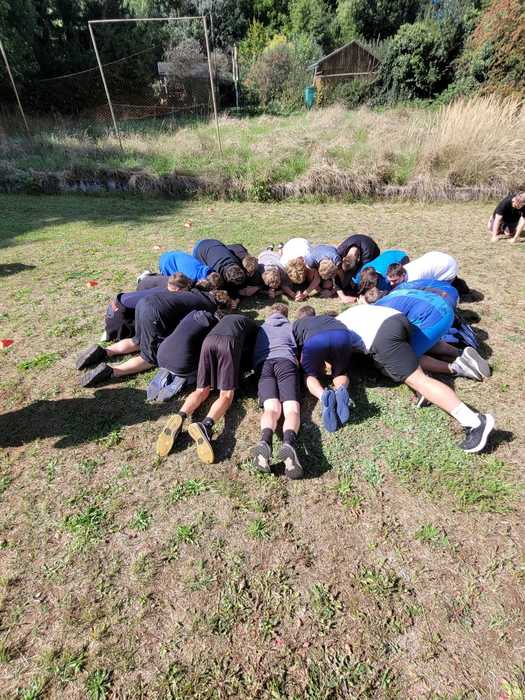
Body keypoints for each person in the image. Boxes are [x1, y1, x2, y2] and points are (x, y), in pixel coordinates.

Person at [337, 304, 495, 453]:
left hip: (381, 335)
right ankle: (458, 361)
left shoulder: (332, 334)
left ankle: (474, 421)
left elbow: (340, 362)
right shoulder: (344, 316)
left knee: (418, 380)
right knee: (404, 357)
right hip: (398, 319)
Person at [77, 284, 230, 387]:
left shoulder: (195, 293)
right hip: (155, 314)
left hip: (144, 304)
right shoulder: (208, 307)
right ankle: (113, 371)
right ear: (219, 305)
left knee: (138, 340)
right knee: (151, 358)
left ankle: (104, 352)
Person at [156, 314, 259, 462]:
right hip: (229, 342)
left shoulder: (225, 320)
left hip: (209, 341)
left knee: (202, 389)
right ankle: (206, 425)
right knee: (226, 395)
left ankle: (181, 415)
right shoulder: (255, 327)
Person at [366, 287, 490, 381]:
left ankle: (456, 368)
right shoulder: (397, 292)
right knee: (423, 339)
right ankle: (461, 354)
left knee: (406, 356)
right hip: (445, 310)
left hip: (431, 316)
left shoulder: (379, 308)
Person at [251, 304, 303, 478]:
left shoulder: (261, 328)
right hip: (286, 362)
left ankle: (265, 441)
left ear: (270, 313)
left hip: (264, 364)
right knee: (291, 409)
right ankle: (288, 443)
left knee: (271, 409)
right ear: (285, 315)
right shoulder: (291, 326)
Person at [293, 306, 362, 432]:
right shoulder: (326, 318)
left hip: (315, 340)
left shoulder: (297, 324)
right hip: (342, 335)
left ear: (299, 317)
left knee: (308, 374)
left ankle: (323, 396)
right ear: (314, 314)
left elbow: (296, 349)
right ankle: (341, 389)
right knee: (340, 372)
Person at [146, 309, 218, 402]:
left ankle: (167, 371)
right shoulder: (213, 325)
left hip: (162, 353)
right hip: (181, 363)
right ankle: (181, 378)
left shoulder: (192, 313)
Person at [104, 274, 192, 342]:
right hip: (120, 320)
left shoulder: (162, 288)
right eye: (187, 288)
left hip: (115, 305)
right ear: (178, 290)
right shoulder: (164, 298)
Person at [386, 251, 459, 289]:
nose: (391, 284)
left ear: (403, 275)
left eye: (394, 281)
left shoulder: (414, 279)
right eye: (390, 280)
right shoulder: (401, 268)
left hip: (448, 266)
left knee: (440, 291)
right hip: (435, 258)